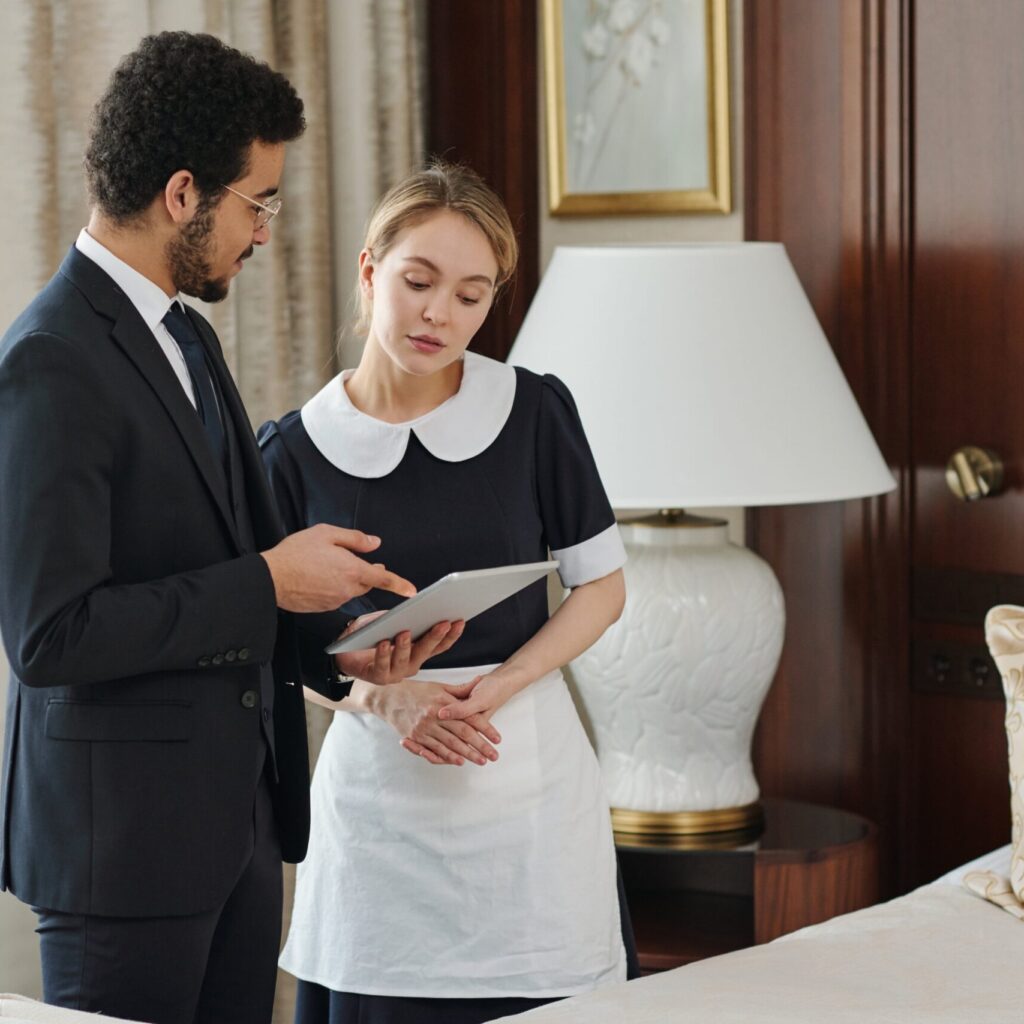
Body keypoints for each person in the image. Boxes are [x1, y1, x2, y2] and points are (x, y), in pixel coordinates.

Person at [0, 32, 435, 1024]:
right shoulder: (49, 360)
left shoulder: (188, 334)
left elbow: (228, 562)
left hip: (237, 831)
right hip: (120, 854)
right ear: (182, 193)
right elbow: (49, 635)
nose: (267, 232)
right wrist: (272, 582)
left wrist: (343, 654)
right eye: (259, 203)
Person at [260, 161, 638, 1024]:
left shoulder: (534, 413)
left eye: (471, 296)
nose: (440, 314)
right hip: (379, 813)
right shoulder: (291, 453)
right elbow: (279, 649)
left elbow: (601, 587)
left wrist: (501, 685)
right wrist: (384, 699)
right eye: (419, 282)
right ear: (370, 271)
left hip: (528, 792)